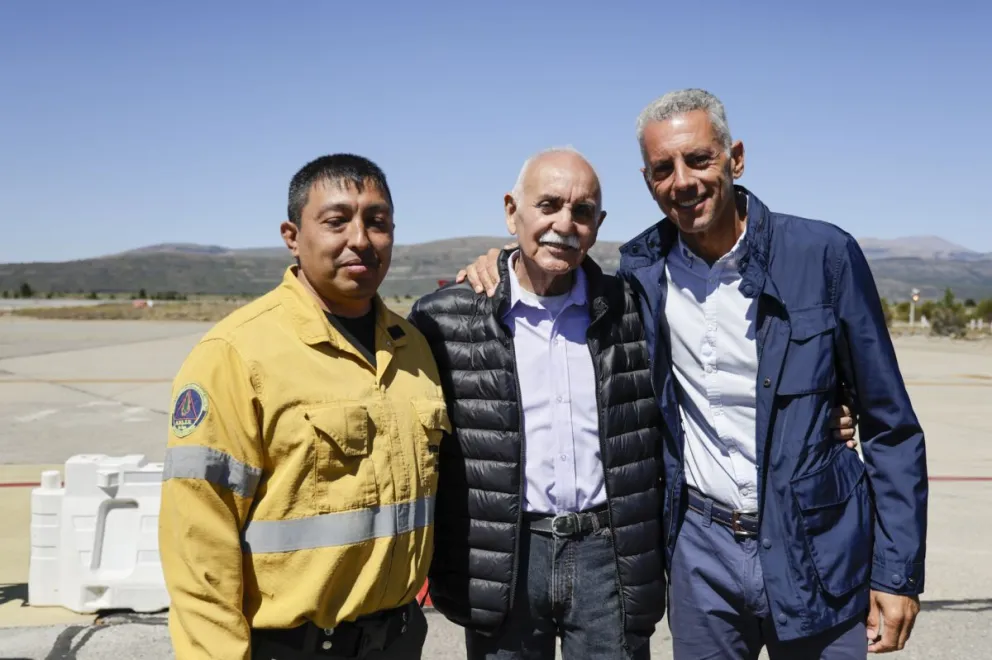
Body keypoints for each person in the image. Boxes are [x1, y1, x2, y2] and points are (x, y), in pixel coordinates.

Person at [459, 89, 923, 659]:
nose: (682, 181)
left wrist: (897, 573)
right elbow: (551, 261)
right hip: (701, 550)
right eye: (662, 169)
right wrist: (499, 262)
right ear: (648, 180)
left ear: (736, 158)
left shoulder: (823, 255)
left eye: (699, 159)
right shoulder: (641, 270)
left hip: (815, 546)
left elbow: (889, 423)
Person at [158, 154, 444, 660]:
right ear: (293, 235)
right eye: (337, 221)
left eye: (377, 222)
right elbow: (198, 543)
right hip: (293, 646)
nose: (360, 238)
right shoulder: (236, 355)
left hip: (398, 641)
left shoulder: (414, 348)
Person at [408, 147, 666, 659]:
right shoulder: (447, 320)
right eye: (547, 205)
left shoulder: (632, 311)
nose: (564, 224)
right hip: (508, 556)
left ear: (599, 224)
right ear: (512, 211)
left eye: (583, 211)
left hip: (606, 555)